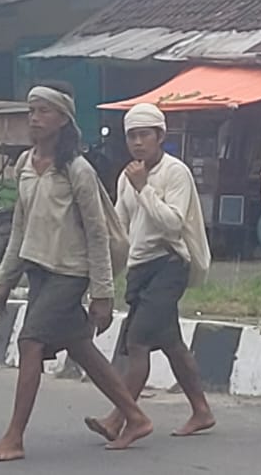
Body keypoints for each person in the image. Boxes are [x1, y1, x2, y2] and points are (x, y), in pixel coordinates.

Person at [0, 83, 152, 462]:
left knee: (30, 343)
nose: (35, 119)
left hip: (69, 273)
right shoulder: (25, 165)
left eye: (43, 112)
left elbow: (96, 233)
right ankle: (135, 417)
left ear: (62, 120)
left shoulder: (77, 170)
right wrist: (3, 282)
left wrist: (103, 294)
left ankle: (14, 437)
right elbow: (19, 231)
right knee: (80, 346)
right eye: (31, 111)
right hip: (38, 271)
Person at [85, 103, 215, 443]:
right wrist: (103, 277)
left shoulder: (175, 173)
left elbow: (173, 223)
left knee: (138, 342)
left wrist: (144, 188)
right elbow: (120, 228)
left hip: (170, 264)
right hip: (140, 268)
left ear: (160, 136)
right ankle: (201, 411)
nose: (138, 143)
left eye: (145, 135)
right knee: (171, 343)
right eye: (132, 136)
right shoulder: (127, 177)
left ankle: (122, 419)